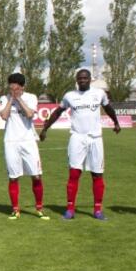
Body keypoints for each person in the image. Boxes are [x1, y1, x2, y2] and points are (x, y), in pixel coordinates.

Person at [40, 69, 121, 220]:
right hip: (77, 137)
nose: (82, 80)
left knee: (97, 174)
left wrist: (116, 122)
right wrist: (45, 128)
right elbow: (58, 112)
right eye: (80, 78)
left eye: (85, 78)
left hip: (95, 138)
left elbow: (108, 108)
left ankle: (97, 210)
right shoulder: (70, 96)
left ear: (90, 79)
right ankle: (70, 209)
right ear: (76, 80)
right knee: (74, 173)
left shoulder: (99, 94)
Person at [0, 73, 48, 220]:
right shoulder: (4, 98)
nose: (12, 89)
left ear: (22, 87)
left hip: (28, 141)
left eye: (16, 87)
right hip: (10, 141)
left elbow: (30, 114)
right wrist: (11, 100)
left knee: (36, 175)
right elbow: (4, 116)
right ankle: (15, 210)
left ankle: (39, 208)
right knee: (13, 177)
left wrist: (19, 99)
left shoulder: (31, 97)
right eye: (10, 87)